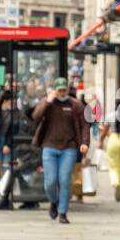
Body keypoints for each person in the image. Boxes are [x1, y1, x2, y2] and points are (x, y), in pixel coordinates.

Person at [30, 77, 90, 224]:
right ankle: (54, 201)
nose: (62, 93)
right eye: (59, 90)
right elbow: (35, 116)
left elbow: (84, 125)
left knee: (64, 180)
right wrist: (47, 101)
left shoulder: (75, 105)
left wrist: (84, 143)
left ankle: (63, 212)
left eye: (64, 90)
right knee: (50, 182)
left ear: (68, 90)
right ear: (55, 90)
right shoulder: (48, 103)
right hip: (49, 147)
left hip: (68, 148)